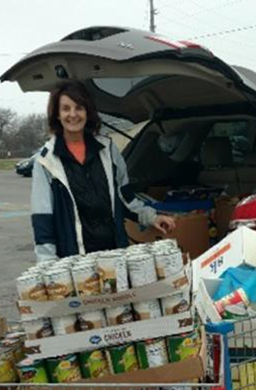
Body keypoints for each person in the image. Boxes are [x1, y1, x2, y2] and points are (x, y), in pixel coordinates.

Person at [30, 81, 176, 263]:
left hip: (115, 253)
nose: (73, 114)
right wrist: (47, 263)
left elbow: (126, 198)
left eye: (79, 108)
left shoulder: (108, 149)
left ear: (87, 112)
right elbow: (42, 218)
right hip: (75, 262)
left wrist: (152, 217)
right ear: (57, 115)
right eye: (66, 109)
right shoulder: (45, 161)